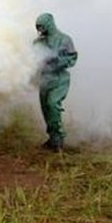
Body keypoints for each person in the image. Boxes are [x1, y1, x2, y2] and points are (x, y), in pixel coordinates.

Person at [34, 13, 78, 152]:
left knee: (53, 105)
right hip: (44, 79)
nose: (40, 30)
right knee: (46, 110)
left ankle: (58, 140)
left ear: (49, 24)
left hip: (60, 79)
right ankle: (52, 138)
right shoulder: (38, 42)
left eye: (42, 26)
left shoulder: (64, 39)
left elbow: (72, 58)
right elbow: (31, 59)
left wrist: (57, 61)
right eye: (38, 27)